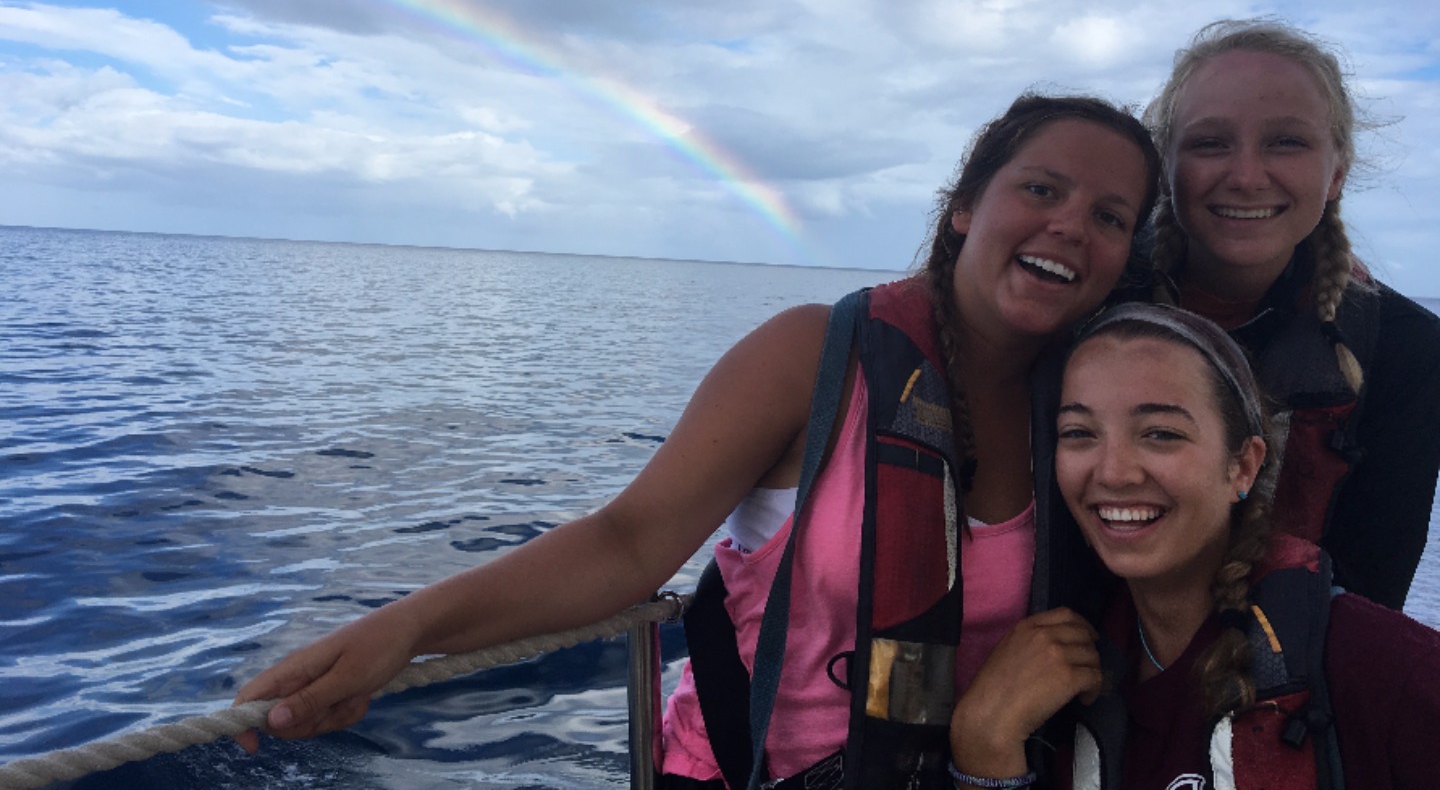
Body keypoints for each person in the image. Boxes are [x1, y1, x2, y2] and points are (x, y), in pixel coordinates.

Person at [233, 92, 1162, 789]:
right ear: (964, 206)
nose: (1069, 226)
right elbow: (628, 542)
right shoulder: (814, 356)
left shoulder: (1085, 419)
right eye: (1041, 188)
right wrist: (403, 632)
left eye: (1110, 216)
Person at [947, 302, 1440, 790]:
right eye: (1079, 433)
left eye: (1161, 434)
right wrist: (984, 747)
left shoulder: (1379, 669)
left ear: (1243, 467)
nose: (1114, 472)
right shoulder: (1064, 679)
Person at [1142, 19, 1440, 609]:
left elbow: (1367, 601)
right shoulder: (1091, 301)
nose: (1246, 176)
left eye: (1286, 142)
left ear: (1336, 172)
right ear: (1165, 168)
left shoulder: (1401, 349)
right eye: (1210, 143)